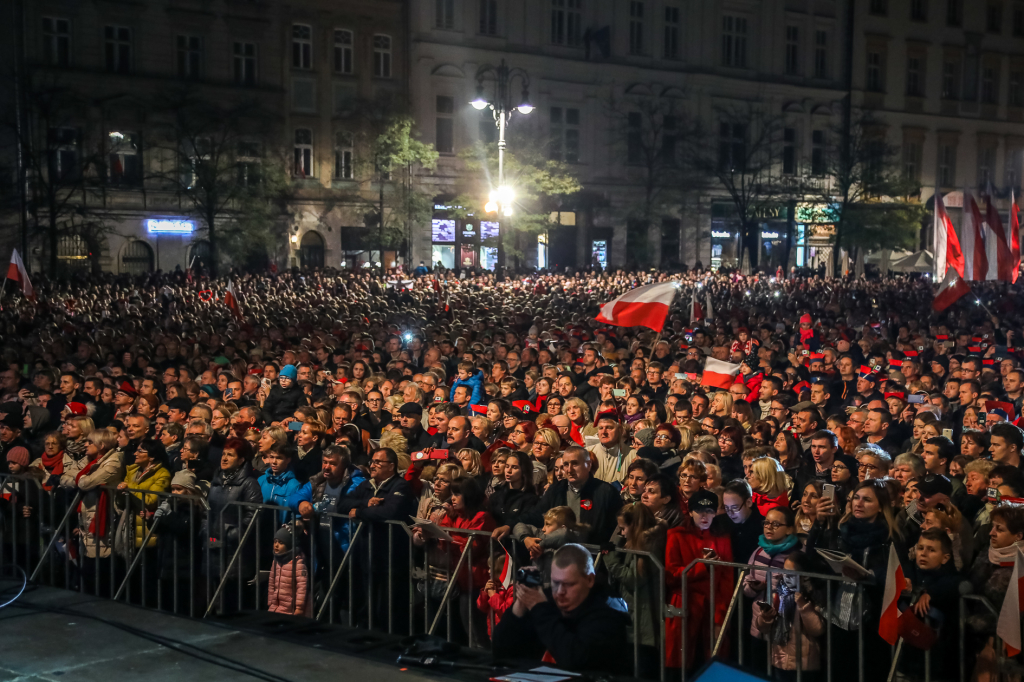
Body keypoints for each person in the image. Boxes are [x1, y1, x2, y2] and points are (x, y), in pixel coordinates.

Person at [492, 543, 631, 673]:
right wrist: (519, 607)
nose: (560, 592)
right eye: (555, 582)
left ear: (589, 580)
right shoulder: (545, 600)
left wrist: (540, 609)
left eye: (569, 584)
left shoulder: (608, 611)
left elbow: (575, 659)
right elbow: (500, 651)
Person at [666, 488, 734, 671]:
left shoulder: (722, 538)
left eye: (710, 511)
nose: (705, 516)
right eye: (699, 510)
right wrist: (701, 567)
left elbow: (727, 579)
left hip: (713, 606)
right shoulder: (676, 535)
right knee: (680, 662)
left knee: (712, 660)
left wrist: (721, 616)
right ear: (690, 512)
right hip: (685, 605)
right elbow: (671, 575)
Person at [521, 446, 621, 546]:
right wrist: (520, 533)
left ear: (589, 465)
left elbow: (618, 527)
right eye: (566, 464)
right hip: (558, 550)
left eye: (575, 463)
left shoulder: (607, 492)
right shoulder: (555, 490)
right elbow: (535, 516)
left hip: (593, 552)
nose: (569, 469)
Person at [267, 525, 310, 617]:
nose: (276, 545)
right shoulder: (276, 561)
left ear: (289, 544)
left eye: (281, 543)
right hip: (275, 607)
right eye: (275, 542)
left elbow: (302, 587)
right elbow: (271, 583)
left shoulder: (298, 562)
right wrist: (270, 602)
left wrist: (299, 608)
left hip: (290, 610)